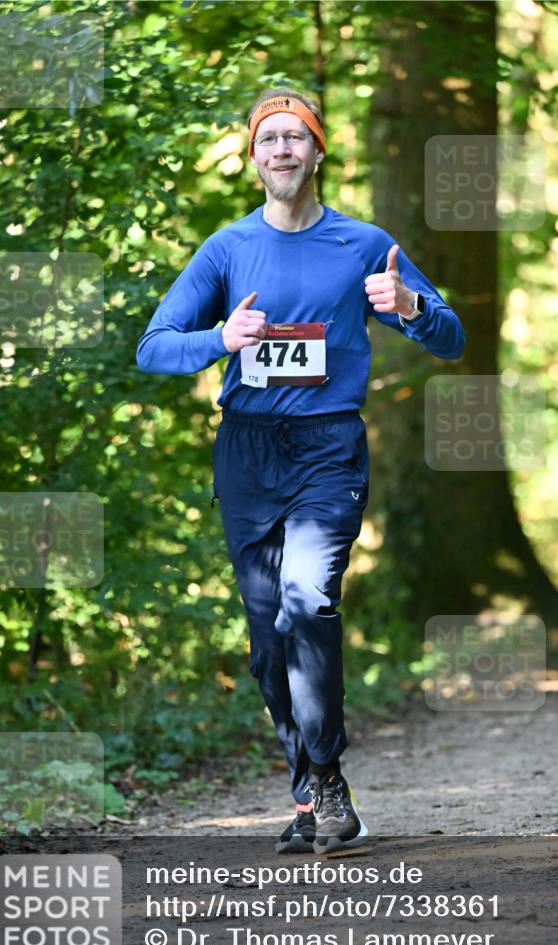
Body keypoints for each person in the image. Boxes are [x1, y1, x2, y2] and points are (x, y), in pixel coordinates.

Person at [137, 87, 465, 855]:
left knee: (307, 597)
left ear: (319, 152)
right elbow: (153, 346)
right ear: (252, 159)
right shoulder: (227, 249)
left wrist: (411, 304)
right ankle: (317, 789)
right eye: (268, 139)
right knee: (266, 638)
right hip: (247, 451)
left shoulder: (362, 246)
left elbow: (449, 339)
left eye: (296, 137)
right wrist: (220, 338)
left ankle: (322, 780)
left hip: (326, 448)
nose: (282, 150)